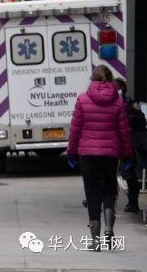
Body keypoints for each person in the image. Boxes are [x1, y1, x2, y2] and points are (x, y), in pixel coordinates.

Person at [67, 65, 133, 251]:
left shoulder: (82, 99)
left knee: (92, 193)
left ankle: (95, 241)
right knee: (109, 190)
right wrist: (127, 155)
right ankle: (109, 229)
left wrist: (71, 152)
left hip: (88, 156)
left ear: (92, 79)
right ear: (111, 79)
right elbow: (123, 132)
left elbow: (75, 130)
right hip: (110, 155)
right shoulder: (118, 102)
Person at [114, 78, 147, 213]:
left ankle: (133, 203)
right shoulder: (118, 104)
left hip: (132, 143)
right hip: (124, 143)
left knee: (131, 173)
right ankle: (131, 202)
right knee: (128, 174)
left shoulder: (131, 104)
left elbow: (140, 121)